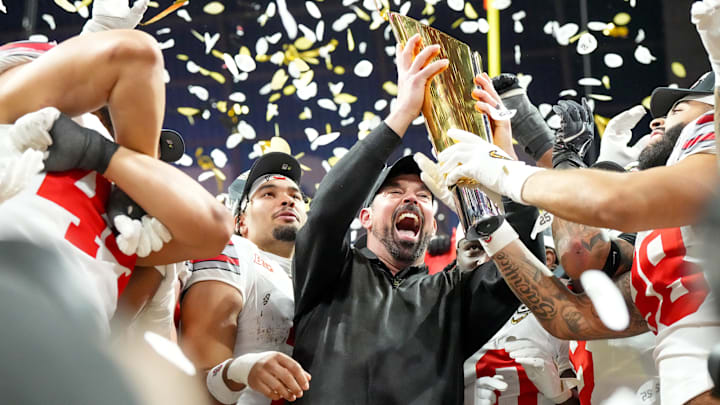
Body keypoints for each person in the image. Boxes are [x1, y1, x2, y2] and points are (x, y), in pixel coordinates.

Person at [290, 33, 544, 404]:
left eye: (423, 196)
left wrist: (503, 157)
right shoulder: (329, 275)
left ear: (433, 223)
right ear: (365, 216)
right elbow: (326, 214)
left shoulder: (451, 295)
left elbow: (525, 263)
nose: (411, 197)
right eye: (394, 192)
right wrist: (402, 113)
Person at [181, 152, 311, 404]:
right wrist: (239, 371)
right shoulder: (234, 251)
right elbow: (194, 383)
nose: (287, 200)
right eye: (268, 194)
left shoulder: (319, 276)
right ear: (240, 221)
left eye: (296, 196)